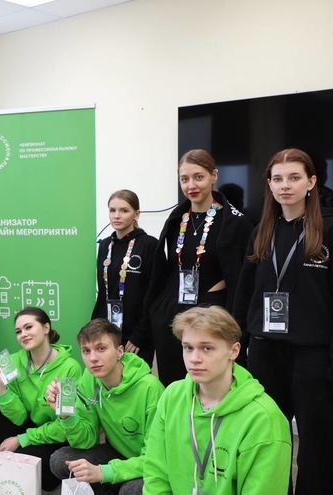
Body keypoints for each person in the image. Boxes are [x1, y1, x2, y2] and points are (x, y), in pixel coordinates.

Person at [233, 148, 333, 494]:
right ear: (269, 184)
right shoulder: (262, 231)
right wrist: (237, 348)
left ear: (311, 182)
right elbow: (244, 295)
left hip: (313, 357)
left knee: (316, 447)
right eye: (277, 179)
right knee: (269, 442)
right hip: (265, 353)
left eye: (294, 178)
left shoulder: (327, 229)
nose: (285, 186)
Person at [143, 306, 291, 494]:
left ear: (234, 351)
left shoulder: (264, 418)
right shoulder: (172, 395)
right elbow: (155, 473)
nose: (194, 358)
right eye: (188, 348)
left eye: (207, 348)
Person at [138, 149, 253, 386]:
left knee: (210, 388)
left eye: (198, 177)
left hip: (212, 319)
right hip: (172, 320)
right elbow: (164, 270)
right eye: (184, 179)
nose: (191, 185)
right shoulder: (177, 219)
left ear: (214, 176)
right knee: (175, 388)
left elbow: (242, 280)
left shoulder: (235, 223)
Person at [47, 319, 164, 495]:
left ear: (119, 351)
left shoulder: (150, 388)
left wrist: (105, 472)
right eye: (86, 351)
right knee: (60, 460)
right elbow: (85, 441)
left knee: (130, 490)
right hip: (118, 454)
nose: (93, 358)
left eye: (101, 348)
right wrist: (65, 415)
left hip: (150, 462)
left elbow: (155, 458)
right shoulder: (90, 378)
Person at [0, 307, 82, 492]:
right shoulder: (12, 361)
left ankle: (27, 474)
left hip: (55, 434)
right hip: (27, 423)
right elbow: (19, 417)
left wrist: (21, 439)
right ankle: (1, 478)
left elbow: (64, 426)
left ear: (46, 328)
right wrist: (1, 387)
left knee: (29, 466)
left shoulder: (70, 368)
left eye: (29, 327)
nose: (23, 334)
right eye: (18, 331)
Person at [91, 189, 158, 365]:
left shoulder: (149, 245)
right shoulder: (105, 245)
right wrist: (95, 328)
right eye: (112, 210)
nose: (117, 216)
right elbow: (103, 292)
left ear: (136, 214)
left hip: (136, 335)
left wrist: (141, 334)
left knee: (132, 377)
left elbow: (155, 294)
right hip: (107, 332)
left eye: (124, 210)